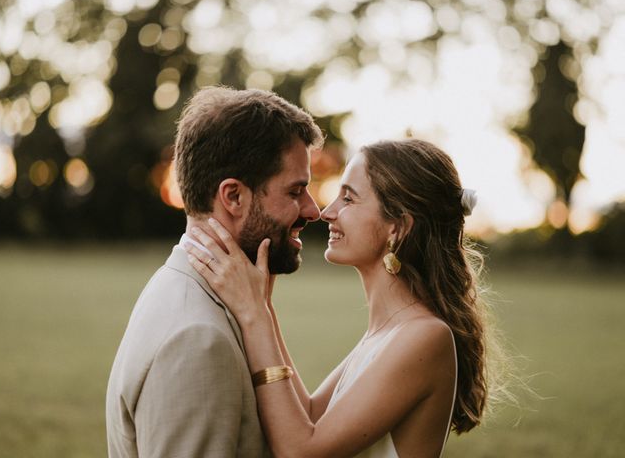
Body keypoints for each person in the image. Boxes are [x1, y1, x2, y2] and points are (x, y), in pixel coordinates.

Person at [186, 139, 490, 458]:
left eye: (348, 198)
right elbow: (308, 415)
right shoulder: (386, 334)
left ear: (397, 227)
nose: (327, 212)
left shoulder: (425, 336)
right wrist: (265, 306)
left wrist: (255, 316)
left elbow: (300, 451)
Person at [105, 86, 324, 457]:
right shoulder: (197, 339)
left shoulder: (183, 288)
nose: (312, 210)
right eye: (295, 191)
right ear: (234, 196)